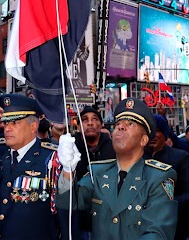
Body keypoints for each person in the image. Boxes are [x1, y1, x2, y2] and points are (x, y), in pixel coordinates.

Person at [57, 98, 178, 239]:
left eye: (130, 124)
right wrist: (67, 170)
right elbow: (69, 202)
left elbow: (158, 232)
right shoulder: (97, 172)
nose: (120, 127)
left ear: (143, 140)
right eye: (118, 124)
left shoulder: (158, 177)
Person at [0, 94, 58, 239]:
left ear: (33, 126)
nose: (7, 128)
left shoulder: (51, 158)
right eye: (6, 122)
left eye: (15, 123)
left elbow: (65, 214)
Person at [145, 115, 189, 240]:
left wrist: (168, 205)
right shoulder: (138, 159)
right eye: (150, 131)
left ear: (165, 135)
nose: (153, 135)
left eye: (158, 131)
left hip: (179, 227)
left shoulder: (181, 157)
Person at [71, 106, 116, 240]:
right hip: (80, 222)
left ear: (101, 124)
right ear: (78, 126)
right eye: (84, 120)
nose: (90, 123)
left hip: (109, 221)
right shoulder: (70, 150)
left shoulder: (114, 147)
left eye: (94, 119)